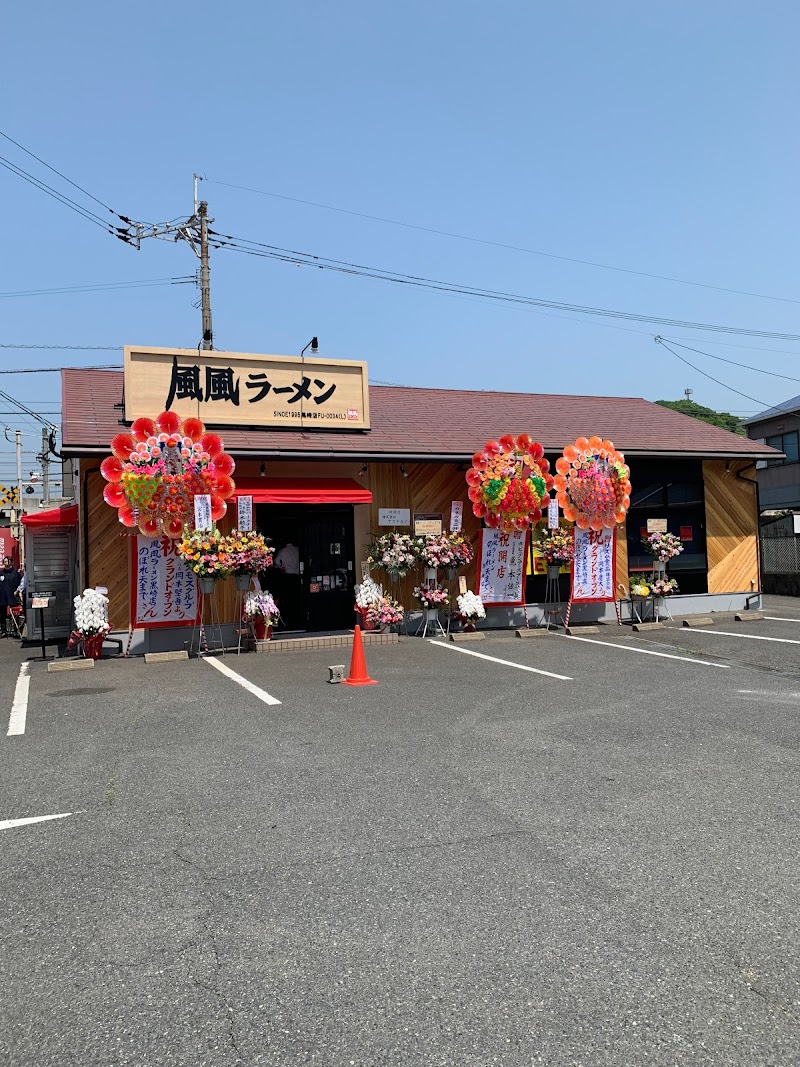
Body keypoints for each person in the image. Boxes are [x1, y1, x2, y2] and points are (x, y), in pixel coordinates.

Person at [0, 556, 21, 638]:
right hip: (2, 597)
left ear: (11, 562)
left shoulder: (16, 573)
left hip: (12, 596)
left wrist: (18, 593)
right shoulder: (1, 573)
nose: (5, 563)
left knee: (15, 613)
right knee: (2, 614)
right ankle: (3, 630)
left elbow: (20, 584)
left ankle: (16, 630)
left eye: (7, 561)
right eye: (4, 562)